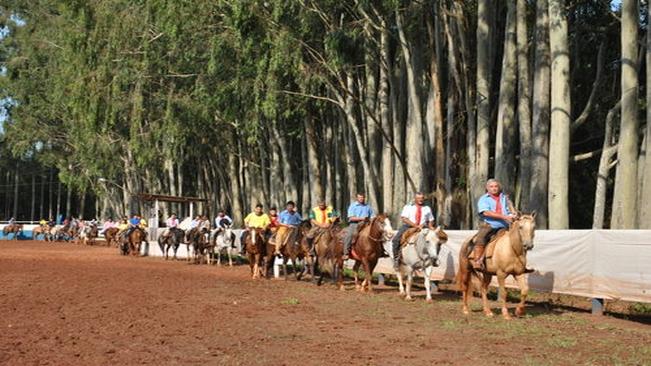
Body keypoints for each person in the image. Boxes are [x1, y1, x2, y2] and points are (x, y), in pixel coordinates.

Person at [472, 179, 517, 270]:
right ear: (487, 188)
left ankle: (520, 262)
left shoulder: (505, 198)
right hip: (490, 225)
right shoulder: (484, 199)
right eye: (491, 187)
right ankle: (477, 260)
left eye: (496, 186)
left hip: (506, 225)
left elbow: (509, 210)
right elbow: (486, 212)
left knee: (520, 238)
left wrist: (513, 215)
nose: (494, 188)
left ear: (499, 187)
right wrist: (504, 217)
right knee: (481, 238)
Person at [392, 192, 436, 271]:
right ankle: (396, 259)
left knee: (435, 239)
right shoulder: (408, 207)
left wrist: (431, 226)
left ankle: (434, 259)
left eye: (422, 198)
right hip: (409, 226)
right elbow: (404, 218)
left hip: (423, 227)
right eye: (418, 198)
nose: (420, 200)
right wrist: (415, 225)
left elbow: (431, 219)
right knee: (396, 240)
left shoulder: (427, 208)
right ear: (415, 199)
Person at [342, 193, 375, 260]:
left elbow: (372, 216)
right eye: (360, 197)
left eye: (362, 197)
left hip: (366, 224)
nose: (361, 199)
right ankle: (346, 253)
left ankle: (380, 250)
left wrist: (371, 220)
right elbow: (351, 218)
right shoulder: (353, 206)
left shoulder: (368, 207)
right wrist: (362, 218)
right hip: (355, 224)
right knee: (349, 235)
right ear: (357, 198)